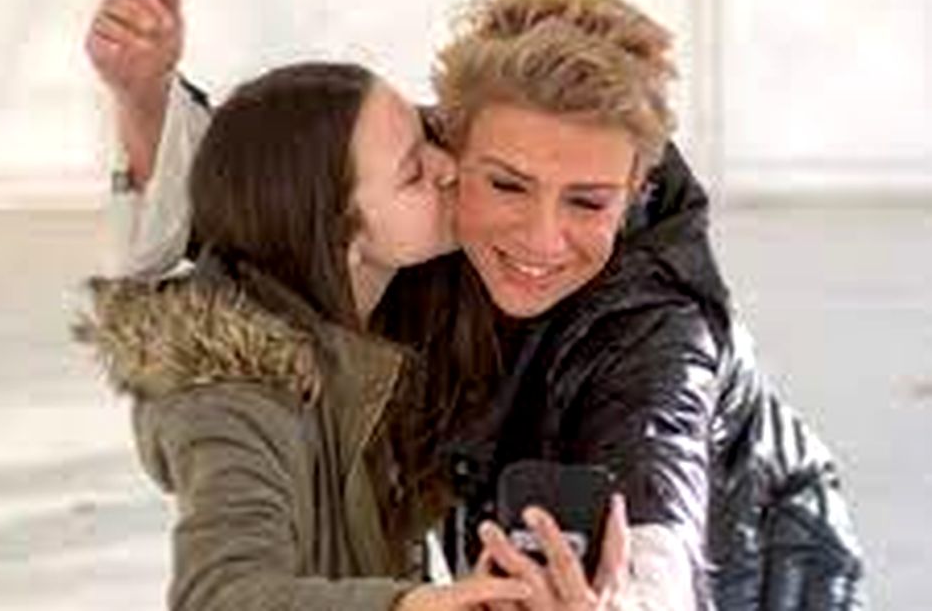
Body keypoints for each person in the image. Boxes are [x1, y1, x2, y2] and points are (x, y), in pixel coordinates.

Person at [89, 0, 866, 609]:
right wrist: (144, 98)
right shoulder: (416, 165)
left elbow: (658, 473)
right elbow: (278, 182)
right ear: (451, 141)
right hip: (513, 515)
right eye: (506, 185)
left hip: (755, 553)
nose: (541, 239)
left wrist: (626, 600)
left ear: (635, 188)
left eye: (588, 202)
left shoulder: (656, 328)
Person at [77, 61, 631, 610]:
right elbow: (219, 596)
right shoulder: (230, 402)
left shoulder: (372, 332)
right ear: (340, 230)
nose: (448, 168)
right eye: (413, 173)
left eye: (428, 139)